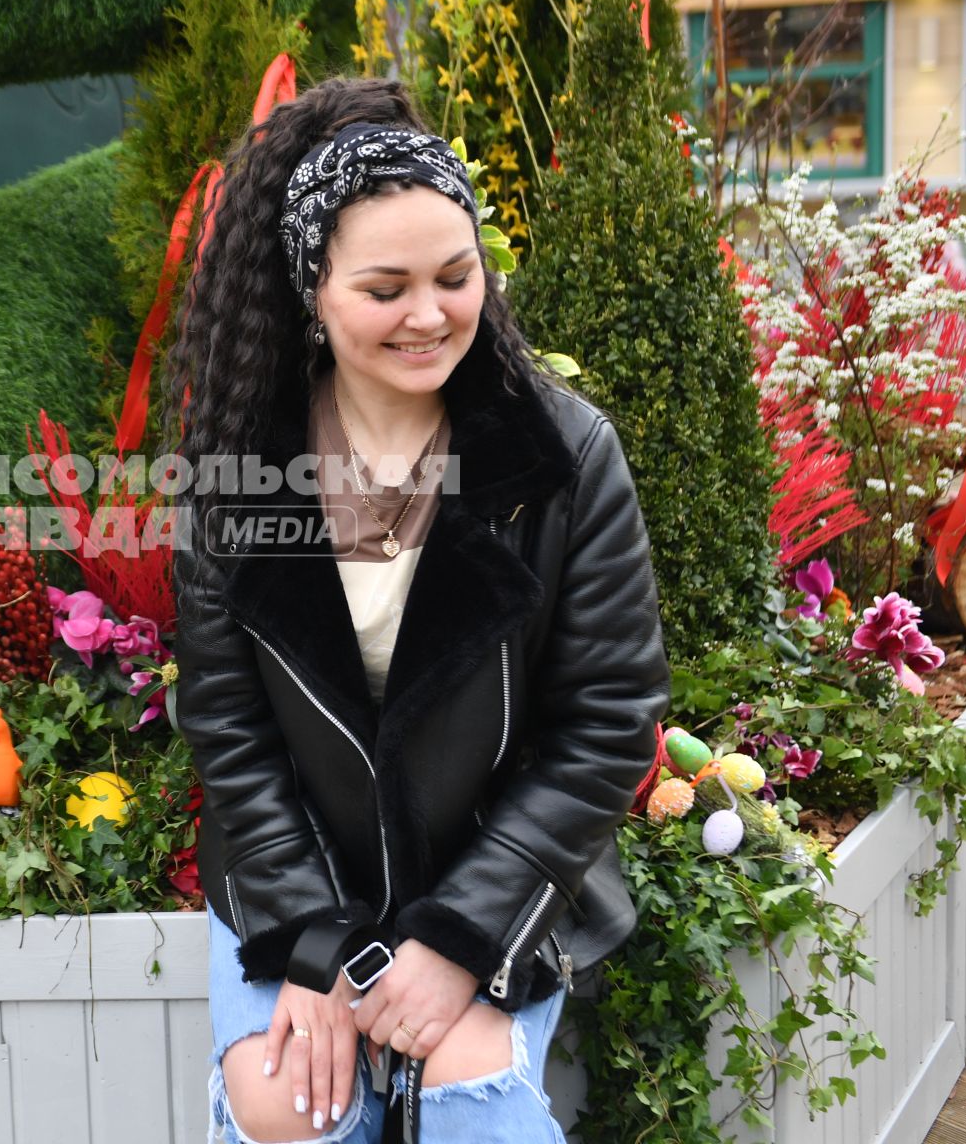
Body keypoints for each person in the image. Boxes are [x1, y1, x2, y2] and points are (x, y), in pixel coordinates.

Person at [164, 76, 671, 1143]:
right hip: (298, 871)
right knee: (288, 1099)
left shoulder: (564, 457)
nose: (430, 313)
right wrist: (310, 943)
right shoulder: (235, 480)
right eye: (385, 287)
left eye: (455, 275)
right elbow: (231, 732)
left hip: (493, 862)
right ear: (314, 289)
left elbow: (607, 717)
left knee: (468, 1087)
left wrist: (459, 938)